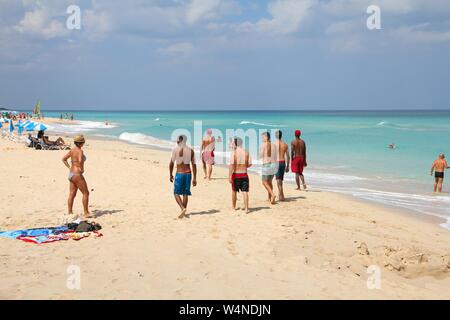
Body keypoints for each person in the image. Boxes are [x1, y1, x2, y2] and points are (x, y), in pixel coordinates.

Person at [62, 135, 91, 219]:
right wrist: (82, 168)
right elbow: (80, 160)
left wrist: (69, 167)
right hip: (77, 174)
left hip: (71, 173)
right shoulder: (80, 151)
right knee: (86, 193)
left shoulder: (72, 150)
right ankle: (86, 212)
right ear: (82, 143)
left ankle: (70, 212)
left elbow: (63, 159)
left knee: (72, 194)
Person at [169, 135, 197, 219]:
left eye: (177, 140)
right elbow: (194, 165)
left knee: (176, 193)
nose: (176, 142)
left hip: (180, 174)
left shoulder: (175, 150)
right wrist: (195, 178)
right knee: (185, 193)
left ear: (181, 141)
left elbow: (171, 164)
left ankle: (182, 208)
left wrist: (170, 174)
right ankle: (183, 212)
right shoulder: (191, 151)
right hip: (188, 174)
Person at [229, 137, 252, 213]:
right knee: (245, 191)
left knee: (234, 191)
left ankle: (233, 207)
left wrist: (229, 176)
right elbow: (250, 164)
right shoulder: (246, 152)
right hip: (244, 174)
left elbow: (232, 165)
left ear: (235, 144)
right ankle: (246, 208)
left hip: (236, 174)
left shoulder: (234, 152)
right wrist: (244, 166)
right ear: (241, 143)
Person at [260, 132, 277, 204]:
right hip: (274, 165)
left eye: (263, 137)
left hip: (267, 165)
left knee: (264, 182)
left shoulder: (263, 145)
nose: (262, 139)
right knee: (269, 182)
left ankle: (272, 195)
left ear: (267, 137)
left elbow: (261, 155)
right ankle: (269, 198)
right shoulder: (274, 145)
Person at [274, 130, 290, 201]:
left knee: (278, 180)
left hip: (276, 162)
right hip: (283, 162)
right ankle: (281, 195)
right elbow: (288, 156)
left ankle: (281, 194)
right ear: (281, 135)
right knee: (280, 179)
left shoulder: (273, 144)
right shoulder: (285, 144)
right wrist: (287, 166)